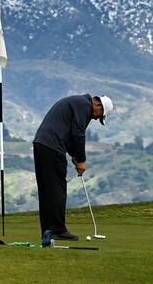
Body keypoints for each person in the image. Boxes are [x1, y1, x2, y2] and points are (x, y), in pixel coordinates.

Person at [33, 94, 112, 241]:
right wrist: (81, 159)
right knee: (57, 189)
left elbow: (68, 133)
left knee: (47, 191)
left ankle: (48, 231)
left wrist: (74, 156)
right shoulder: (84, 105)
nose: (95, 119)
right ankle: (58, 230)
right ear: (98, 105)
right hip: (52, 146)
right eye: (99, 116)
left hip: (42, 144)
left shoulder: (77, 103)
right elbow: (78, 132)